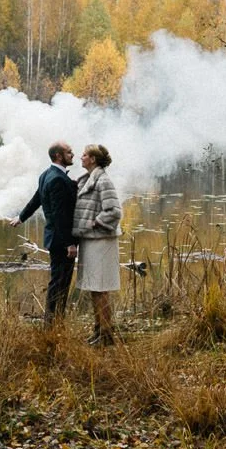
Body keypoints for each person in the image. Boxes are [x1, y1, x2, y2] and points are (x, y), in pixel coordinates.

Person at [10, 141, 79, 325]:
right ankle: (53, 324)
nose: (72, 154)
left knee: (58, 281)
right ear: (58, 156)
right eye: (69, 152)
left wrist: (21, 217)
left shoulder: (46, 175)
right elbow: (59, 215)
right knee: (60, 283)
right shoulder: (57, 178)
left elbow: (36, 199)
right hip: (61, 241)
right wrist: (70, 243)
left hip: (55, 239)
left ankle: (54, 322)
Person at [72, 143, 122, 346]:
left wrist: (95, 222)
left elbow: (114, 211)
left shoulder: (103, 180)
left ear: (92, 159)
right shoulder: (89, 179)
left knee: (101, 290)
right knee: (95, 289)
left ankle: (106, 335)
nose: (81, 157)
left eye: (84, 154)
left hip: (101, 241)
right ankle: (99, 330)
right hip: (92, 240)